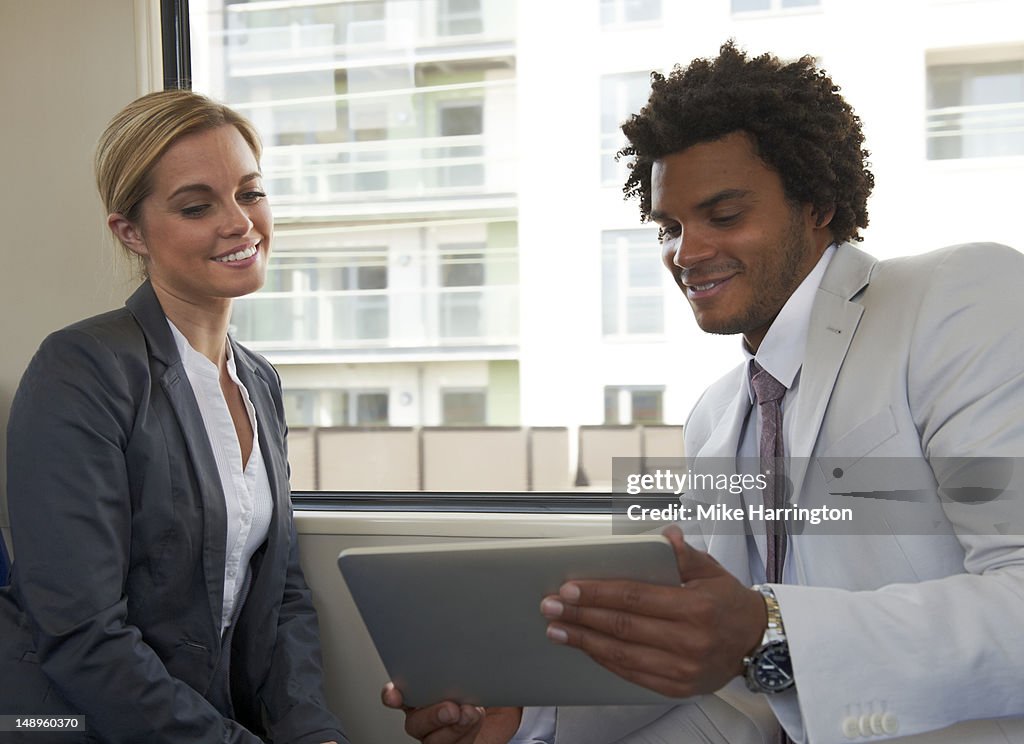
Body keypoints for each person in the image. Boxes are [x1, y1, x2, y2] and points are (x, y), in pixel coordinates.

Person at [384, 41, 1024, 743]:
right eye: (671, 228)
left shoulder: (955, 300)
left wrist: (767, 631)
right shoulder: (719, 414)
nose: (685, 255)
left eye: (723, 216)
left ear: (817, 203)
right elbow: (700, 656)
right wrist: (527, 718)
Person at [0, 90, 347, 744]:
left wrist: (314, 734)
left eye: (250, 193)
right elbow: (83, 636)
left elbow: (282, 601)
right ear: (130, 231)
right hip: (72, 723)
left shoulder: (259, 383)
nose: (240, 223)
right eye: (197, 206)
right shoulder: (79, 371)